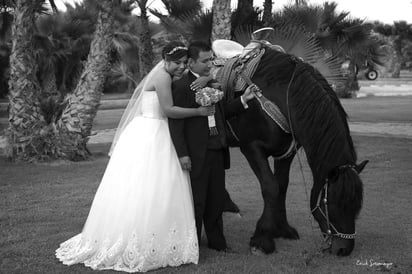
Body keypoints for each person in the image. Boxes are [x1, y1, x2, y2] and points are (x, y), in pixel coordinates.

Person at [55, 41, 215, 272]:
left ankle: (160, 234)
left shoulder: (168, 76)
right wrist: (199, 112)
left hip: (156, 132)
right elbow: (169, 110)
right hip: (151, 134)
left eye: (183, 63)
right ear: (166, 61)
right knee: (144, 185)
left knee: (161, 187)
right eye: (177, 63)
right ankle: (138, 236)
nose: (181, 67)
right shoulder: (161, 77)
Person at [169, 40, 255, 252]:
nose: (210, 64)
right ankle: (194, 243)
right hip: (196, 152)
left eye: (211, 59)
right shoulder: (181, 86)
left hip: (217, 148)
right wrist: (182, 155)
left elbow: (222, 112)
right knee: (197, 199)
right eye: (205, 60)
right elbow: (175, 123)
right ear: (191, 62)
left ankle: (217, 242)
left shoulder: (213, 83)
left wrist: (243, 100)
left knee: (216, 198)